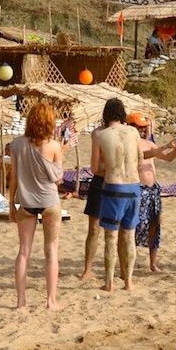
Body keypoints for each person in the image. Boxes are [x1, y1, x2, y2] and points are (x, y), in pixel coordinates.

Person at [9, 102, 68, 310]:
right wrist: (63, 151)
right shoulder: (54, 146)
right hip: (49, 201)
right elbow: (58, 179)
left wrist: (11, 204)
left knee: (23, 252)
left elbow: (13, 177)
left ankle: (21, 301)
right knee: (51, 251)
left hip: (26, 202)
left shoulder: (16, 144)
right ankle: (51, 300)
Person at [94, 98, 143, 292]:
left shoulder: (101, 135)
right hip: (133, 186)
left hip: (114, 187)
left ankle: (109, 283)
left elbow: (95, 168)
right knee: (130, 236)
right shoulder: (134, 132)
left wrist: (109, 168)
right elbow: (140, 161)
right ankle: (128, 281)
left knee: (111, 237)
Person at [128, 113, 176, 273]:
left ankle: (152, 263)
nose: (142, 130)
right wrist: (165, 146)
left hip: (153, 190)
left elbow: (168, 158)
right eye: (139, 127)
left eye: (143, 128)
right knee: (136, 226)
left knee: (154, 225)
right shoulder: (129, 144)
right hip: (138, 189)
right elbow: (143, 155)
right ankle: (130, 260)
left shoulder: (149, 143)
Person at [79, 118, 110, 281]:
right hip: (100, 180)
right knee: (93, 228)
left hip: (116, 181)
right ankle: (88, 269)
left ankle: (116, 269)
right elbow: (95, 167)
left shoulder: (125, 133)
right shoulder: (98, 133)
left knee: (113, 230)